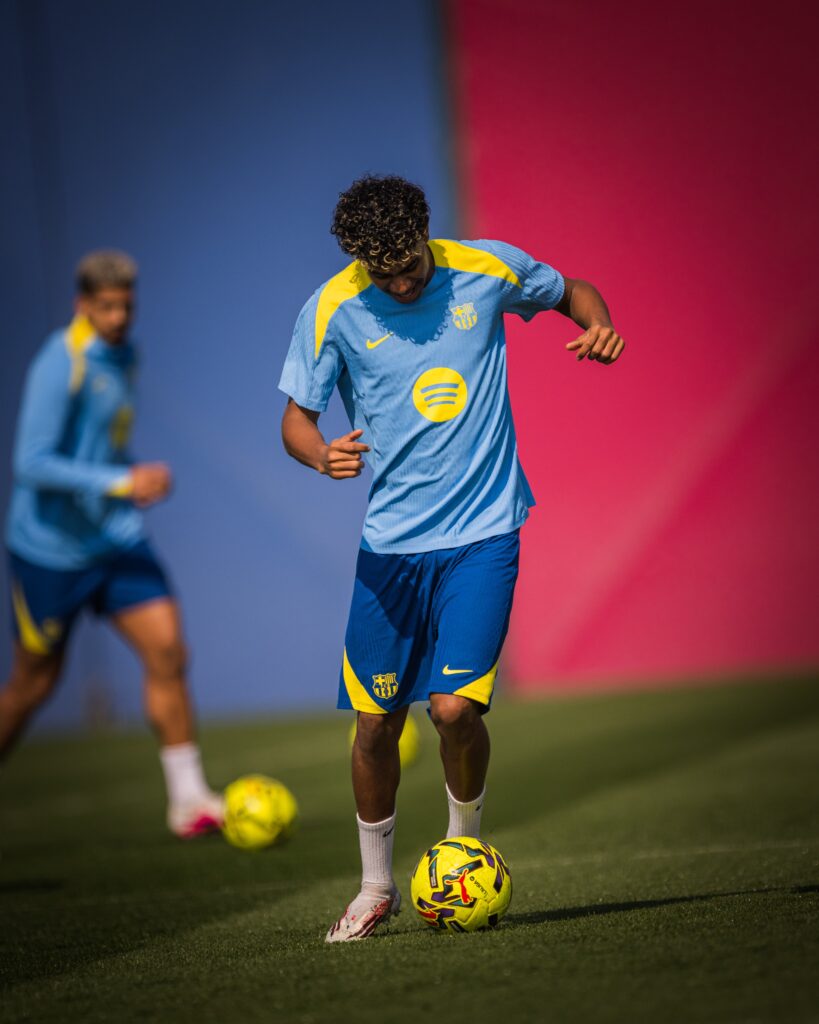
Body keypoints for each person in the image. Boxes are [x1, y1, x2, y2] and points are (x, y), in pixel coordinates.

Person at [279, 175, 625, 941]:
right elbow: (296, 420)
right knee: (373, 726)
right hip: (390, 552)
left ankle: (461, 845)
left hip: (483, 533)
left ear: (425, 237)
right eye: (383, 273)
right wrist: (318, 456)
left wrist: (597, 325)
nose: (400, 282)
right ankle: (374, 889)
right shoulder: (330, 308)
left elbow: (575, 291)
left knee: (453, 709)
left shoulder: (485, 268)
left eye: (409, 265)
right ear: (358, 262)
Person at [1, 250, 224, 839]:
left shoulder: (127, 354)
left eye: (126, 305)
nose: (119, 316)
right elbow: (31, 464)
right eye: (106, 306)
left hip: (116, 539)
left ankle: (189, 801)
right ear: (83, 305)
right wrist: (121, 480)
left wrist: (135, 477)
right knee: (32, 686)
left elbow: (102, 447)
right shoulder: (62, 360)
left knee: (169, 652)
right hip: (50, 550)